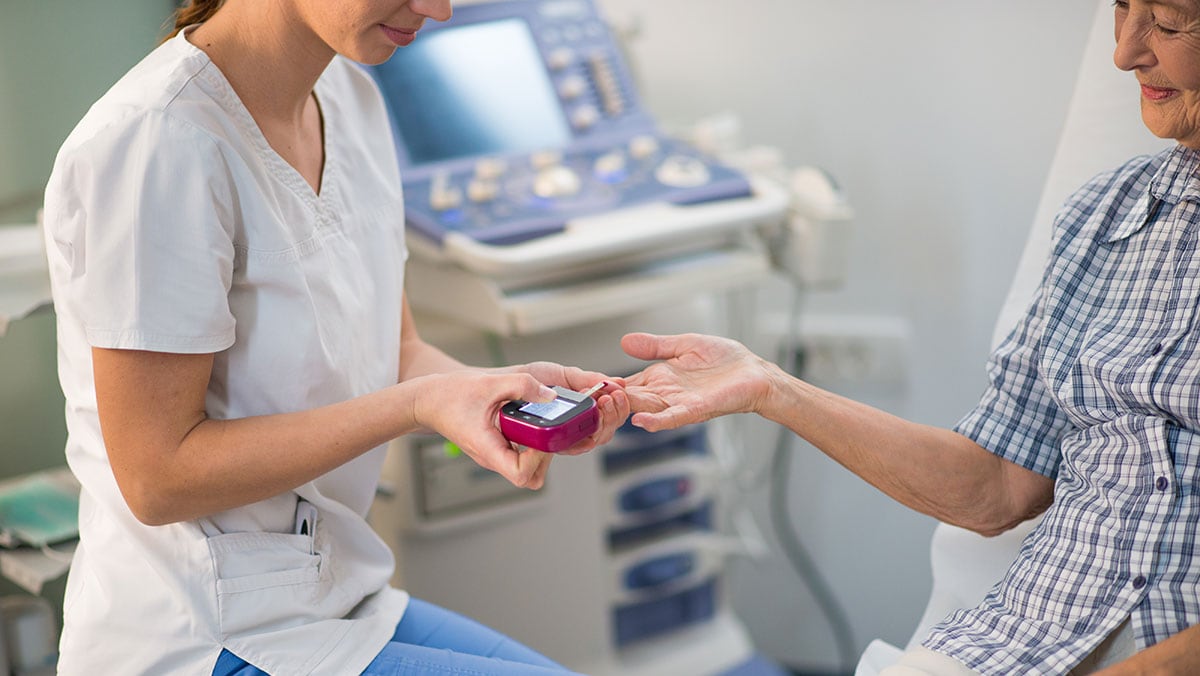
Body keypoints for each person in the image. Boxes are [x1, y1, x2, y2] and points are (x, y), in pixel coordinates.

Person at [39, 0, 628, 674]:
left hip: (337, 596)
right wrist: (418, 406)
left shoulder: (350, 95)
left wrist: (497, 396)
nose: (437, 10)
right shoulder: (155, 142)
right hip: (202, 629)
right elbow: (157, 478)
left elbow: (398, 352)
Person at [620, 1, 1200, 674]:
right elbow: (998, 485)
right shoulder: (1108, 215)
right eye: (1121, 9)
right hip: (1011, 648)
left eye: (1167, 21)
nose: (1124, 54)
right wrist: (769, 388)